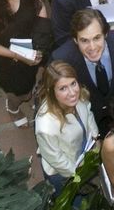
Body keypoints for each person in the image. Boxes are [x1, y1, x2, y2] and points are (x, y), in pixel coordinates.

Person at [52, 6, 114, 128]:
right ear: (75, 41)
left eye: (97, 38)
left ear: (106, 34)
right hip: (88, 118)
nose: (92, 47)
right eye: (84, 41)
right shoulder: (62, 59)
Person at [35, 60, 100, 193]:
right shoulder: (46, 126)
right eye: (63, 88)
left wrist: (95, 137)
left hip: (81, 155)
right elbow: (57, 160)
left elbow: (88, 113)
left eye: (73, 83)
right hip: (63, 172)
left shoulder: (78, 96)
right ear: (51, 91)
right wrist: (77, 176)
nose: (72, 92)